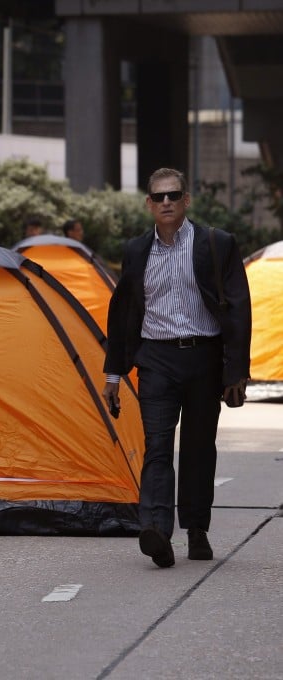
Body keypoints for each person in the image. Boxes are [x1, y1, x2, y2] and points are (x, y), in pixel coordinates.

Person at [102, 167, 251, 569]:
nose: (166, 202)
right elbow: (122, 314)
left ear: (186, 201)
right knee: (157, 446)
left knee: (200, 448)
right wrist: (113, 374)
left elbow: (239, 309)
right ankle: (155, 531)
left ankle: (197, 528)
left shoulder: (216, 244)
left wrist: (236, 371)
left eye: (174, 195)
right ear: (149, 204)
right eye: (158, 197)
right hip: (156, 361)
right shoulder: (136, 251)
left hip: (203, 358)